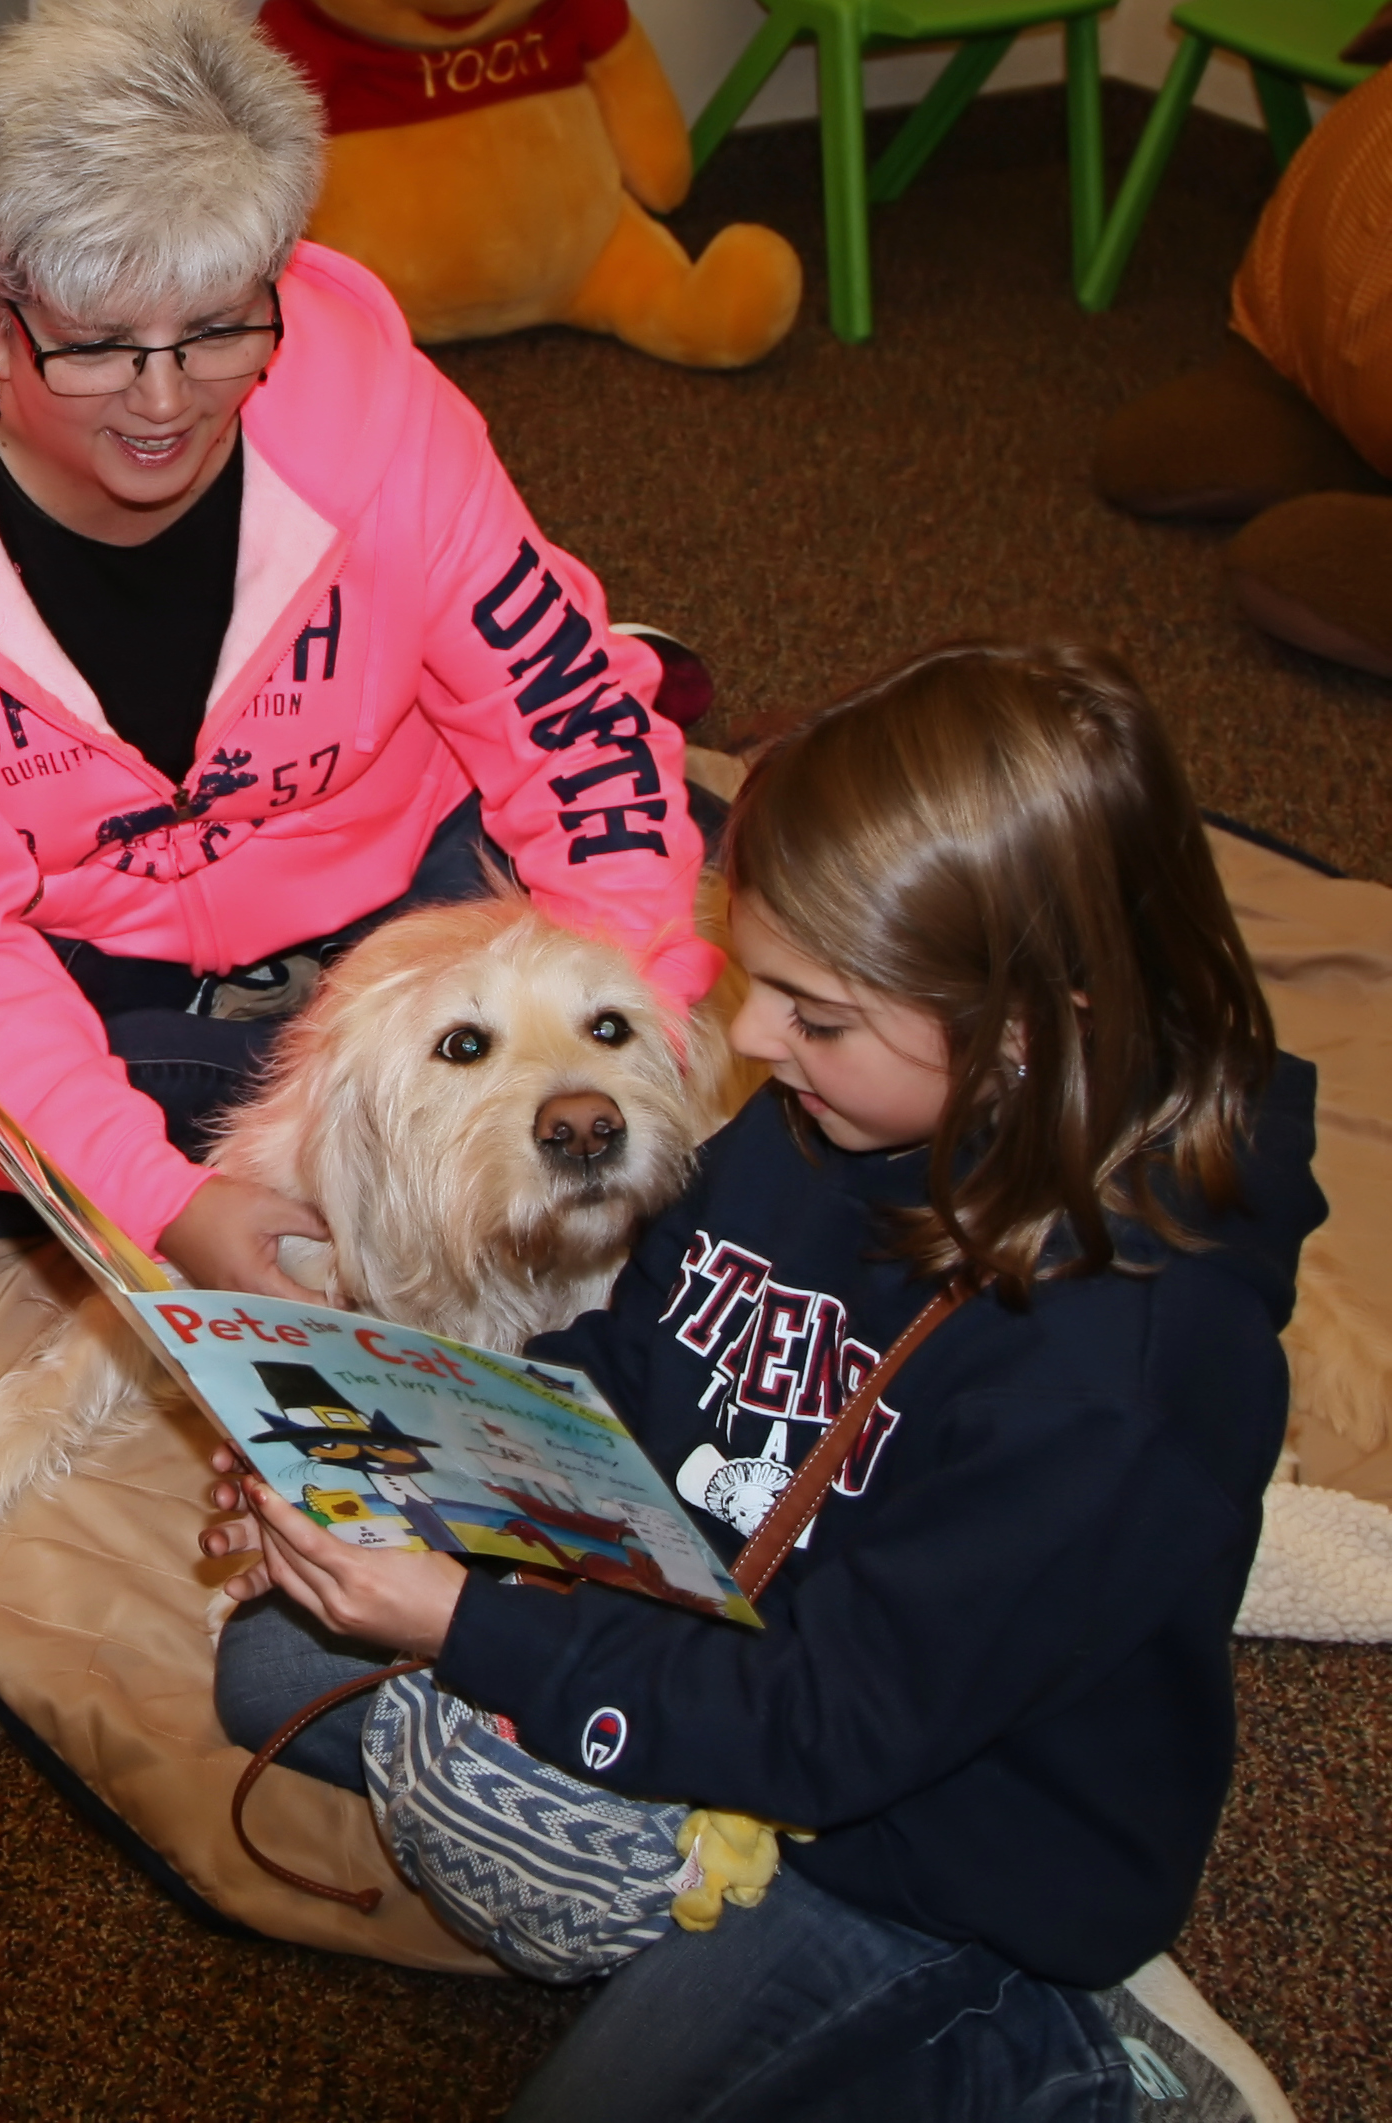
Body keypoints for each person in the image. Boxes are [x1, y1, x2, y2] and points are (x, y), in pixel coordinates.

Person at [206, 643, 1323, 2120]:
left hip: (910, 1845)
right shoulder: (834, 1115)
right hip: (711, 1620)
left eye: (814, 1012)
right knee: (269, 1662)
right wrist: (373, 1446)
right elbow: (630, 1351)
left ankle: (1053, 2052)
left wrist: (473, 1625)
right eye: (753, 977)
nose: (740, 1041)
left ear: (1027, 1024)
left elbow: (831, 1728)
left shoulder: (1123, 1380)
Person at [0, 0, 720, 1297]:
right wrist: (158, 1203)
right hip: (74, 918)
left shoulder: (385, 419)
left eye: (217, 331)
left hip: (389, 845)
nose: (163, 405)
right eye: (96, 350)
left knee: (670, 887)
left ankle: (334, 1072)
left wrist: (626, 1031)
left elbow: (573, 742)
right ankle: (339, 1081)